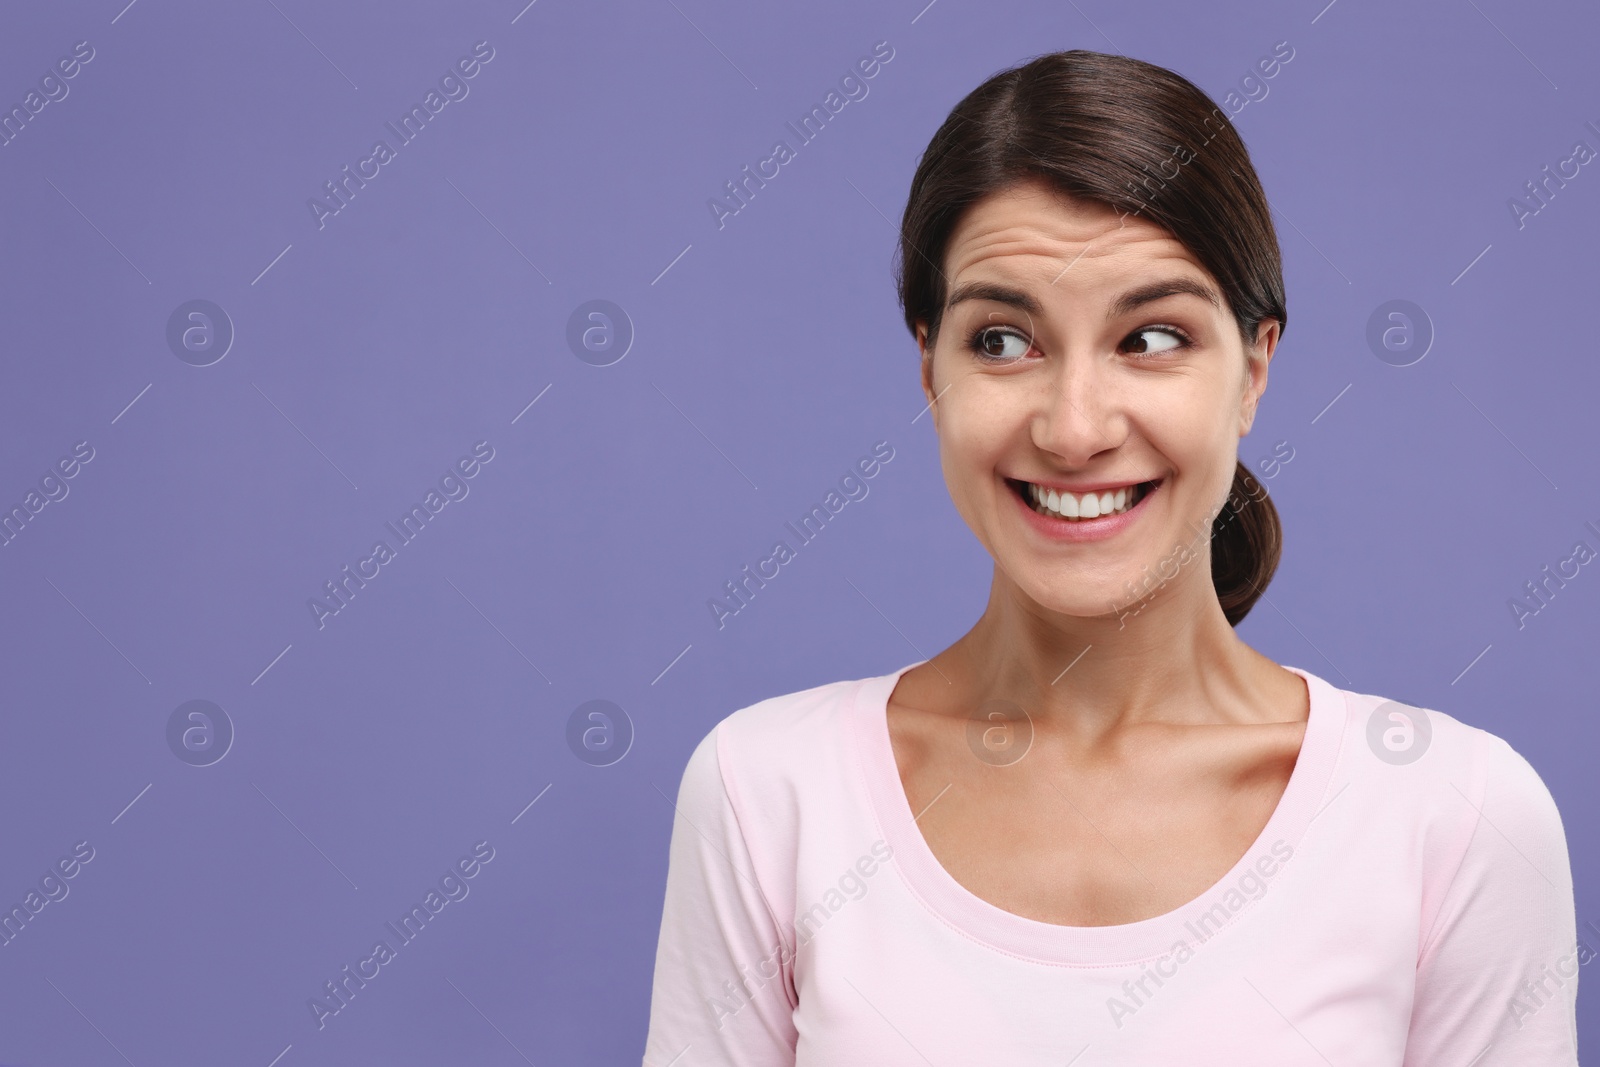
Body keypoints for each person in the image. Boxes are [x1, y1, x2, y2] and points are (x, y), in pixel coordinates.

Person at [641, 49, 1581, 1065]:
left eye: (1150, 337)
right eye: (1002, 340)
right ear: (928, 369)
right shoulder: (770, 787)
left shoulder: (1454, 814)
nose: (1073, 427)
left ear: (1254, 368)